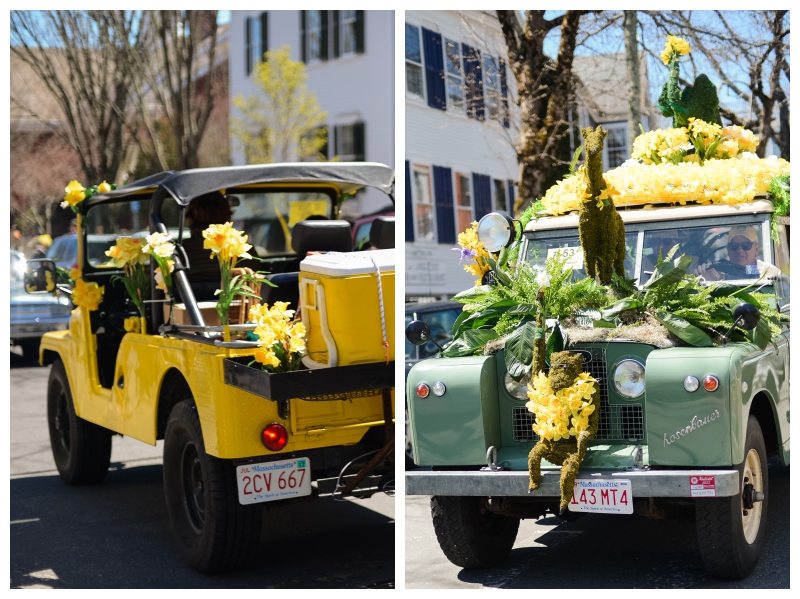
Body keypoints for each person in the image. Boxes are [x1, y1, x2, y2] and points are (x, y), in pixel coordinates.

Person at [695, 224, 761, 281]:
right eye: (734, 246)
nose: (739, 250)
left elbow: (749, 275)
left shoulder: (761, 269)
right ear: (728, 249)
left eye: (746, 245)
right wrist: (703, 272)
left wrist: (721, 278)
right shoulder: (721, 267)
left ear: (757, 249)